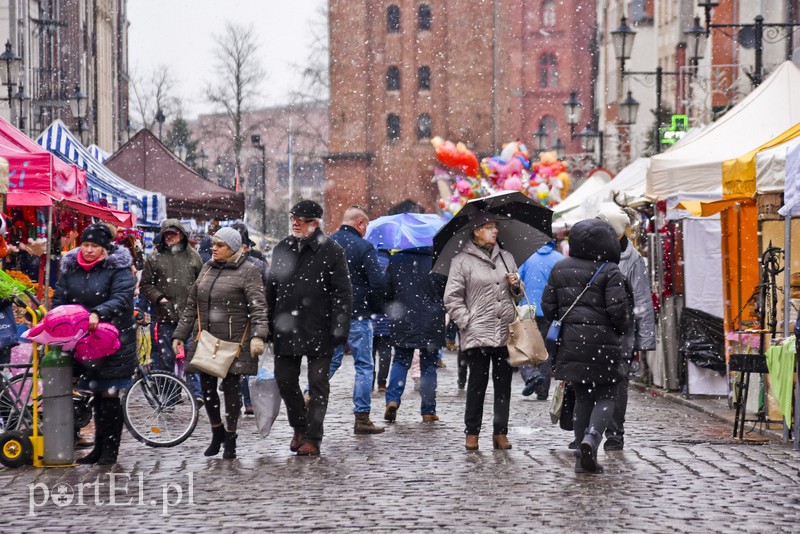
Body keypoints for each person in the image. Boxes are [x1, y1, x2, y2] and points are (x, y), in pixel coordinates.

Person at [541, 219, 630, 474]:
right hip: (604, 344)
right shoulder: (610, 270)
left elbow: (549, 307)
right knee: (607, 393)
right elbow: (618, 311)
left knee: (581, 397)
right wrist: (620, 329)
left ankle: (581, 458)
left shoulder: (560, 267)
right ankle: (592, 437)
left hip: (571, 343)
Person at [172, 227, 269, 460]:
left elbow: (258, 306)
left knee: (231, 389)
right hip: (206, 339)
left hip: (234, 342)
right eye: (213, 244)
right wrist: (180, 335)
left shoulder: (249, 271)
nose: (214, 249)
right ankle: (217, 431)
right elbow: (190, 306)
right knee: (207, 388)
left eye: (220, 245)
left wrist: (258, 335)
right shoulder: (207, 268)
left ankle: (231, 437)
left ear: (233, 248)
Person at [267, 200, 352, 456]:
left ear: (315, 224)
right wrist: (268, 323)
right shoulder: (283, 247)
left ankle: (313, 437)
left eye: (301, 219)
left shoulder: (332, 250)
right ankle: (299, 426)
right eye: (293, 217)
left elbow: (342, 293)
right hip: (286, 327)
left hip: (319, 328)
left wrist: (340, 327)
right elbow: (271, 288)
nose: (295, 222)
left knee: (317, 384)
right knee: (285, 381)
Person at [53, 223, 136, 465]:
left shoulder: (118, 269)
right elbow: (60, 297)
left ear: (105, 248)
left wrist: (98, 313)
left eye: (95, 246)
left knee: (109, 394)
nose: (88, 250)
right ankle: (98, 449)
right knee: (97, 394)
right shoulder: (70, 269)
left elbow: (121, 298)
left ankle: (110, 451)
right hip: (84, 342)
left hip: (114, 341)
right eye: (86, 244)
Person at [443, 212, 523, 451]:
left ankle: (500, 433)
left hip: (505, 331)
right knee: (477, 385)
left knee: (503, 386)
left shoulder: (507, 257)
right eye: (489, 227)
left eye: (495, 227)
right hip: (477, 332)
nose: (495, 231)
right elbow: (452, 298)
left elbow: (518, 295)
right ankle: (472, 433)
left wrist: (515, 284)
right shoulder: (461, 261)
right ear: (476, 231)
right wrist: (466, 321)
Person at [596, 204, 656, 451]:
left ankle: (615, 433)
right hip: (595, 329)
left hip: (622, 332)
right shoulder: (592, 253)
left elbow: (642, 300)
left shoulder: (632, 260)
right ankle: (588, 431)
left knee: (617, 384)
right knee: (592, 381)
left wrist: (645, 340)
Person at [329, 206, 386, 434]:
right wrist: (373, 305)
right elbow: (378, 283)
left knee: (329, 362)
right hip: (357, 315)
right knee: (364, 365)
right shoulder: (364, 247)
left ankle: (309, 396)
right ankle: (361, 418)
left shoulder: (327, 244)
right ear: (360, 223)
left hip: (331, 315)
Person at [139, 220, 204, 404]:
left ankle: (195, 394)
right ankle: (170, 395)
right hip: (164, 316)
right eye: (166, 234)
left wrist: (197, 304)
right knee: (166, 358)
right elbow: (146, 285)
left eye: (173, 234)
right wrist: (159, 298)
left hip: (189, 316)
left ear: (181, 234)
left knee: (191, 356)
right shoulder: (154, 257)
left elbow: (201, 283)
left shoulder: (194, 257)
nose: (169, 237)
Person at [383, 246, 447, 423]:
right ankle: (428, 410)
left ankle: (393, 400)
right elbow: (446, 292)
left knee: (400, 361)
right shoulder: (438, 261)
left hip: (404, 318)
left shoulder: (395, 261)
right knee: (429, 366)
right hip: (431, 320)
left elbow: (386, 290)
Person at [230, 221, 269, 416]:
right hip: (245, 318)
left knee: (237, 362)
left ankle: (241, 399)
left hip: (242, 319)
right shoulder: (259, 264)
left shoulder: (257, 265)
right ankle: (245, 400)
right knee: (242, 363)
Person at [517, 240, 563, 399]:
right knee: (546, 350)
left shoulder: (527, 257)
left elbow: (517, 281)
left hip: (527, 308)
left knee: (523, 346)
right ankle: (542, 390)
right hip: (549, 309)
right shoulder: (559, 258)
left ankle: (531, 374)